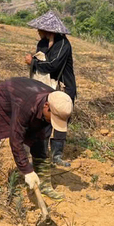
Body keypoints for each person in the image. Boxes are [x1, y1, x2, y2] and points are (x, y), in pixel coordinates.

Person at [0, 77, 72, 204]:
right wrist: (27, 171)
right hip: (2, 101)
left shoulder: (60, 104)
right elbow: (16, 141)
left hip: (24, 102)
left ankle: (44, 185)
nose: (53, 122)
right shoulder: (26, 106)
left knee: (41, 142)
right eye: (53, 118)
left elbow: (44, 137)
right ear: (46, 106)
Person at [24, 10, 77, 167]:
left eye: (40, 29)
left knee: (60, 118)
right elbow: (41, 59)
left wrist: (33, 62)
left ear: (48, 31)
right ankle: (42, 151)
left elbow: (52, 65)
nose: (38, 31)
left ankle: (57, 154)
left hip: (63, 87)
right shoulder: (42, 43)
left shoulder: (63, 45)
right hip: (46, 86)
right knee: (45, 117)